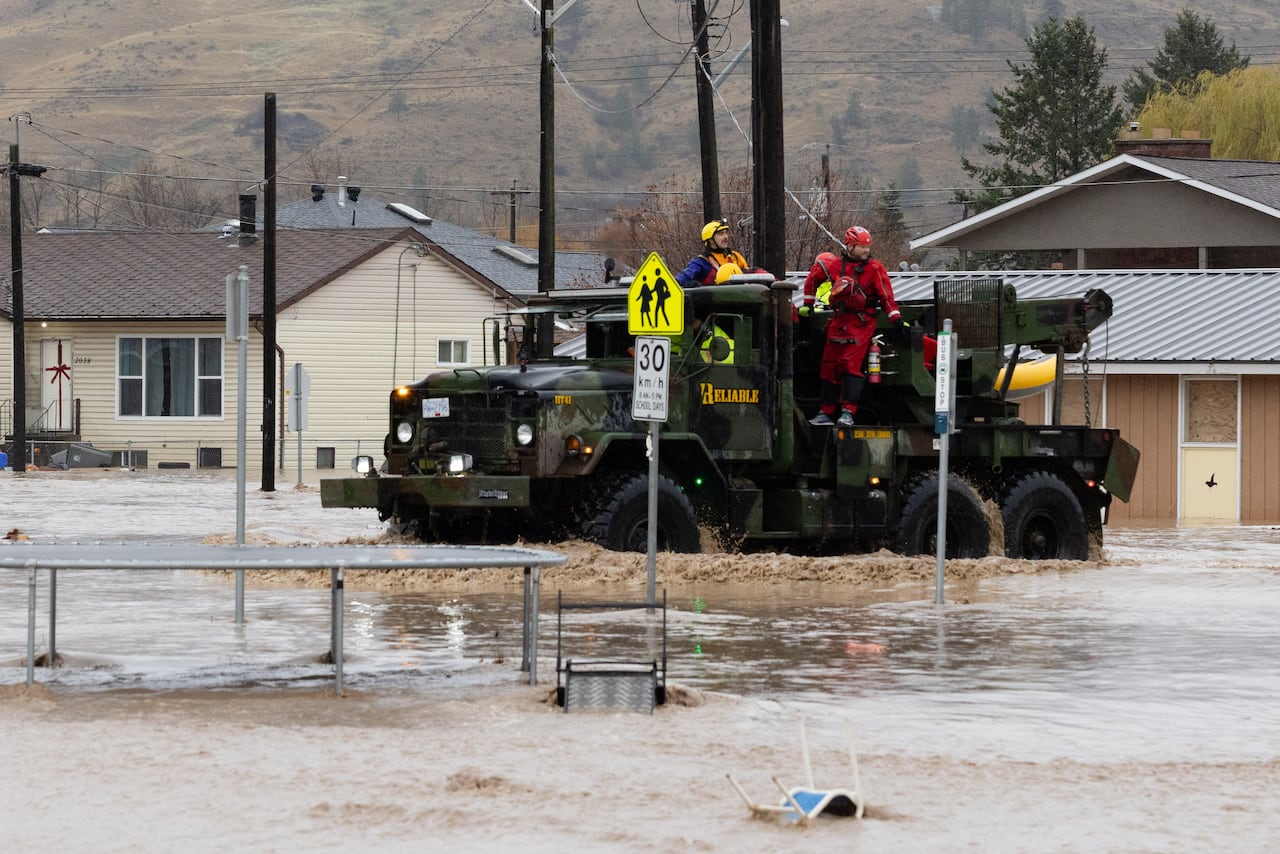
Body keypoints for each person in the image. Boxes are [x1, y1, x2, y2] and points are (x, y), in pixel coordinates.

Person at [801, 226, 906, 427]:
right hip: (839, 321)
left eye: (867, 246)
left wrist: (896, 319)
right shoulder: (834, 266)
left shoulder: (875, 269)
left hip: (862, 322)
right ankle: (826, 412)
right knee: (829, 365)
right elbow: (813, 279)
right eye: (861, 247)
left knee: (850, 365)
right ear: (849, 246)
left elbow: (886, 297)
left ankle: (848, 411)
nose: (866, 250)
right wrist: (807, 304)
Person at [676, 220, 751, 287]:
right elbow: (684, 277)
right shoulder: (702, 262)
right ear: (710, 239)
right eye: (721, 234)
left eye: (726, 233)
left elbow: (749, 273)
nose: (726, 237)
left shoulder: (735, 257)